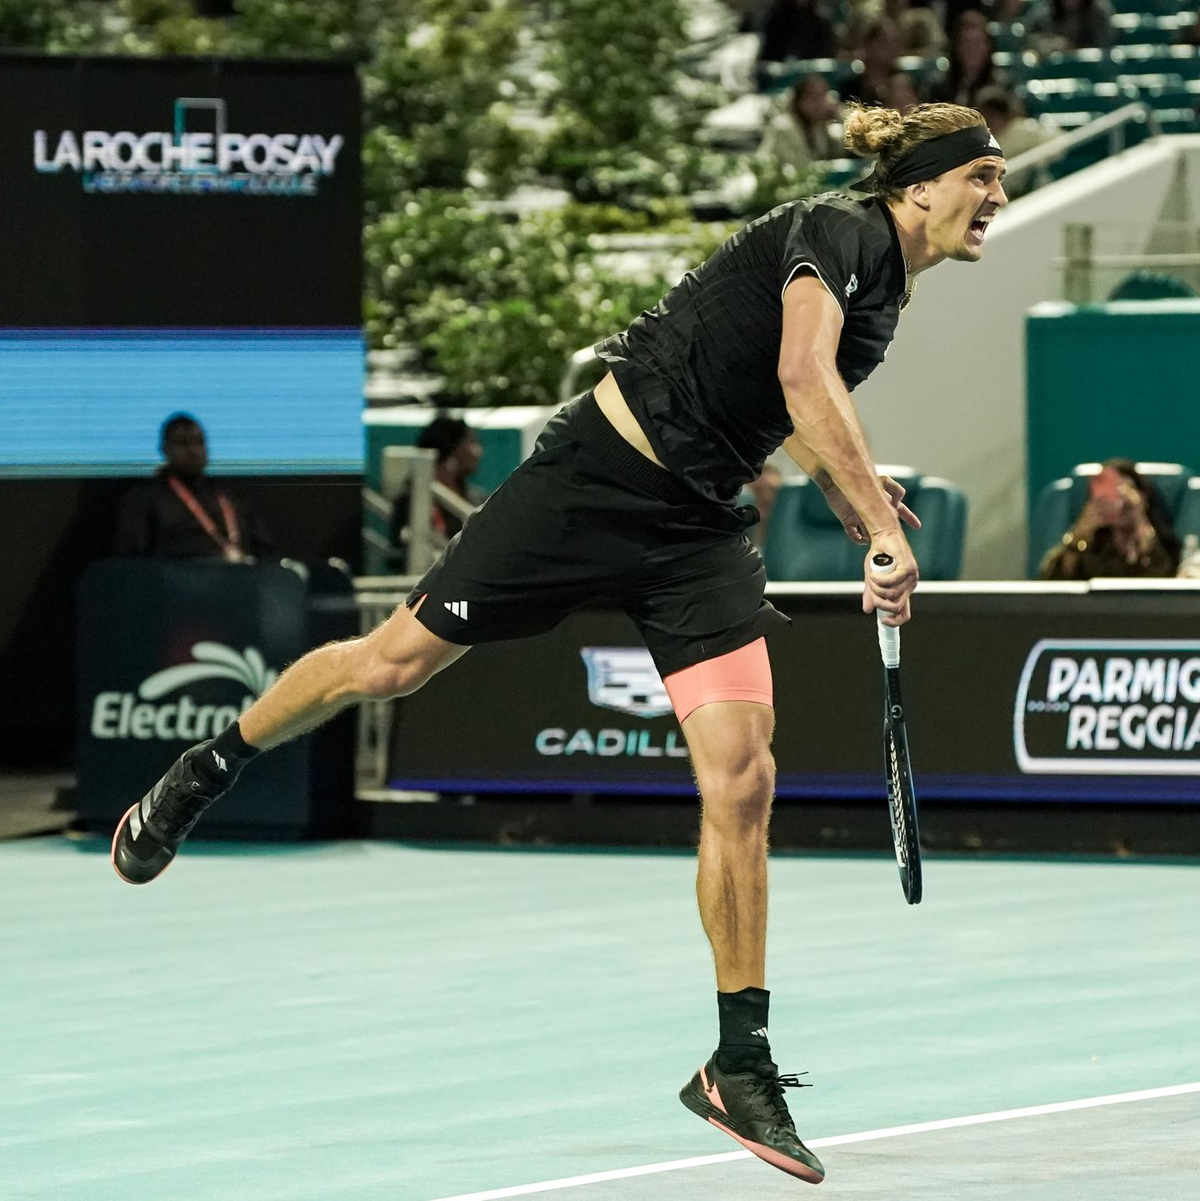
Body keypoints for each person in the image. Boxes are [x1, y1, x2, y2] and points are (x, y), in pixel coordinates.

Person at [112, 102, 1008, 1185]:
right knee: (390, 663)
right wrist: (869, 522)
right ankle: (208, 767)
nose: (996, 198)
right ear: (918, 186)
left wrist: (870, 508)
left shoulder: (887, 292)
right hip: (593, 484)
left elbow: (791, 416)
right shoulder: (841, 232)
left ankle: (739, 1058)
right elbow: (800, 377)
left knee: (744, 775)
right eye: (982, 179)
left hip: (696, 530)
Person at [113, 413, 271, 561]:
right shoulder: (144, 499)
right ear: (165, 449)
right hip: (172, 583)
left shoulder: (230, 498)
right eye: (183, 443)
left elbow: (263, 552)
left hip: (234, 580)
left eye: (199, 442)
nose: (193, 451)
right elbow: (131, 560)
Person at [1039, 460, 1181, 580]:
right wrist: (1081, 530)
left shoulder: (1165, 544)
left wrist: (1140, 525)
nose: (1118, 500)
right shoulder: (1090, 547)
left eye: (1128, 486)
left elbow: (1166, 582)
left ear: (1144, 498)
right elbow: (1053, 581)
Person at [758, 74, 843, 169]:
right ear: (799, 101)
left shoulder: (824, 128)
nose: (820, 103)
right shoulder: (782, 128)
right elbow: (767, 162)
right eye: (813, 98)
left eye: (823, 97)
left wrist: (837, 113)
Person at [929, 13, 1007, 109]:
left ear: (988, 47)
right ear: (956, 46)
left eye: (977, 42)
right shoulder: (939, 87)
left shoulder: (1001, 86)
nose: (972, 49)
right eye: (966, 42)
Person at [835, 17, 904, 108]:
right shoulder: (851, 87)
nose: (892, 47)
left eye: (895, 41)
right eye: (884, 42)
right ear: (868, 45)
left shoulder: (904, 84)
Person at [1024, 0, 1114, 54]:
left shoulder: (1099, 12)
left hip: (1090, 72)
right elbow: (1028, 40)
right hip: (1050, 73)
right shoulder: (1044, 12)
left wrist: (1072, 49)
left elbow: (1104, 48)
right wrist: (1049, 44)